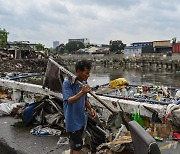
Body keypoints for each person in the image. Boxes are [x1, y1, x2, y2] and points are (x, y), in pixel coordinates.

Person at [62, 59, 96, 154]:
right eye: (86, 73)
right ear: (78, 72)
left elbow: (85, 99)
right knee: (77, 147)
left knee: (75, 145)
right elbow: (69, 100)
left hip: (81, 119)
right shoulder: (67, 83)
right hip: (72, 121)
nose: (88, 75)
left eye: (89, 73)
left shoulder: (83, 83)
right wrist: (82, 91)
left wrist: (91, 109)